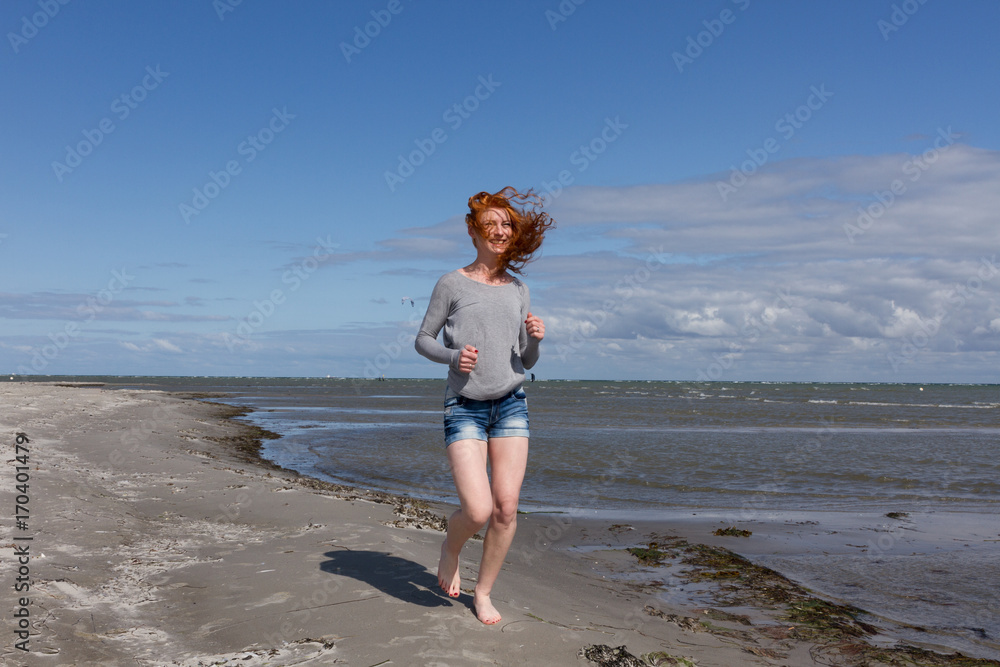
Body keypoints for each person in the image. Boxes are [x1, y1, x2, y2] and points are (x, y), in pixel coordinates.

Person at [414, 187, 554, 625]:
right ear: (474, 231)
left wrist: (535, 339)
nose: (499, 230)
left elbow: (525, 361)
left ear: (515, 234)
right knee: (477, 510)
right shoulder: (451, 283)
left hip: (511, 403)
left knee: (506, 508)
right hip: (465, 406)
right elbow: (422, 340)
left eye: (507, 224)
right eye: (490, 224)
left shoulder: (519, 289)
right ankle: (450, 547)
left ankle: (484, 592)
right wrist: (454, 357)